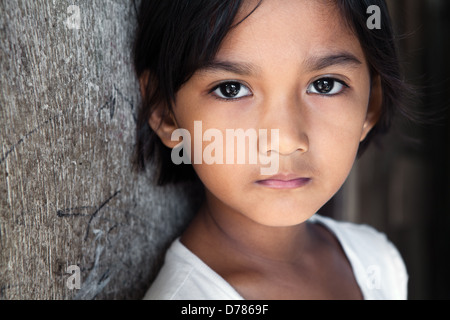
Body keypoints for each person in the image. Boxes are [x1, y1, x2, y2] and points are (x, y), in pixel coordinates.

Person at [133, 0, 409, 300]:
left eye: (325, 85)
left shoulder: (377, 261)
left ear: (370, 105)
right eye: (231, 89)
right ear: (165, 113)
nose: (285, 140)